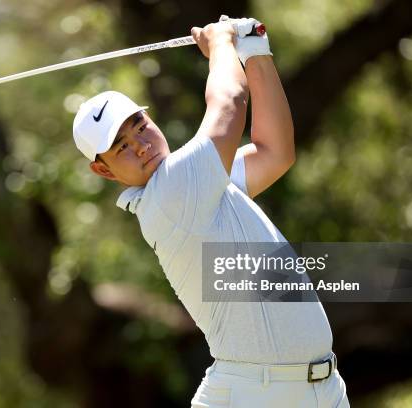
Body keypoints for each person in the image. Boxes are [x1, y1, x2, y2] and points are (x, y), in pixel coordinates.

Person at [72, 16, 350, 408]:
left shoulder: (199, 183)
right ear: (102, 170)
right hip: (253, 396)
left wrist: (256, 52)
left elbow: (275, 151)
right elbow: (230, 102)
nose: (140, 145)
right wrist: (220, 44)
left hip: (321, 391)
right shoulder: (171, 190)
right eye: (120, 147)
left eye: (139, 125)